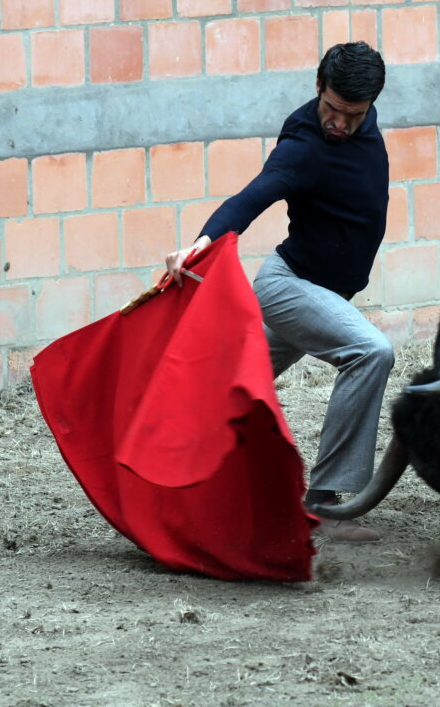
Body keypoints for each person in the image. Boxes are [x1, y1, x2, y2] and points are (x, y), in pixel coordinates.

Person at [165, 42, 393, 543]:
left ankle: (173, 471)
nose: (339, 123)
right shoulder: (304, 145)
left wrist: (355, 116)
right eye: (332, 109)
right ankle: (325, 504)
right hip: (289, 287)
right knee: (371, 352)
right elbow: (253, 195)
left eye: (353, 115)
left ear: (370, 105)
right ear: (318, 87)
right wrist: (201, 244)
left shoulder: (363, 125)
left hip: (324, 293)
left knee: (230, 391)